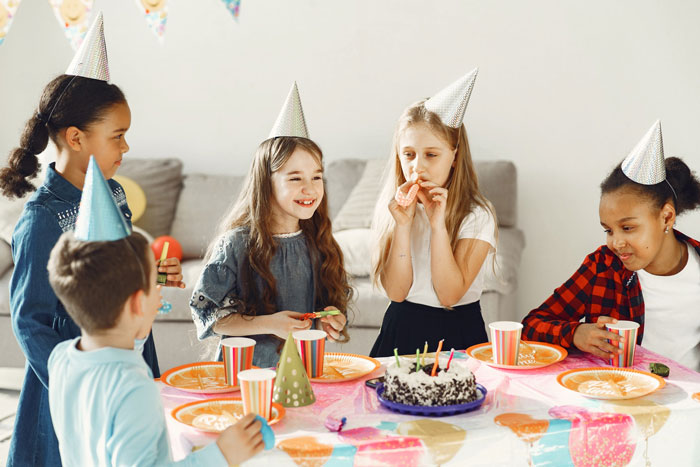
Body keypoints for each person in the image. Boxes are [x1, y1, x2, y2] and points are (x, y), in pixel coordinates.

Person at [0, 14, 182, 465]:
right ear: (76, 137)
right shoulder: (41, 220)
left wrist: (151, 276)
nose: (125, 149)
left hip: (129, 352)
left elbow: (112, 271)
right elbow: (28, 319)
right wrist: (75, 381)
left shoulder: (115, 192)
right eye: (117, 137)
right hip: (76, 375)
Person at [46, 159, 263, 465]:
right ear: (136, 304)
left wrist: (138, 321)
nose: (159, 293)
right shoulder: (135, 387)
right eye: (154, 286)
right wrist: (222, 454)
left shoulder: (62, 358)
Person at [190, 83, 350, 368]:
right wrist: (269, 324)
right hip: (245, 373)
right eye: (295, 178)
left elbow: (329, 305)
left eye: (316, 177)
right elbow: (209, 314)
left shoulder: (318, 240)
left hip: (302, 372)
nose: (310, 188)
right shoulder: (236, 244)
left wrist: (332, 318)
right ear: (266, 184)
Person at [522, 121, 700, 371]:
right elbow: (532, 326)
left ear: (666, 217)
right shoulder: (602, 266)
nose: (615, 242)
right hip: (621, 394)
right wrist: (576, 334)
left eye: (627, 228)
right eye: (608, 230)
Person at [369, 69, 498, 357]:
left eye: (431, 154)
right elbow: (397, 293)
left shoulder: (477, 215)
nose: (417, 167)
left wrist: (438, 226)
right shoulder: (395, 209)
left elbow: (450, 295)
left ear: (454, 156)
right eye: (409, 154)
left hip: (457, 330)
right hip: (401, 329)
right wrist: (402, 227)